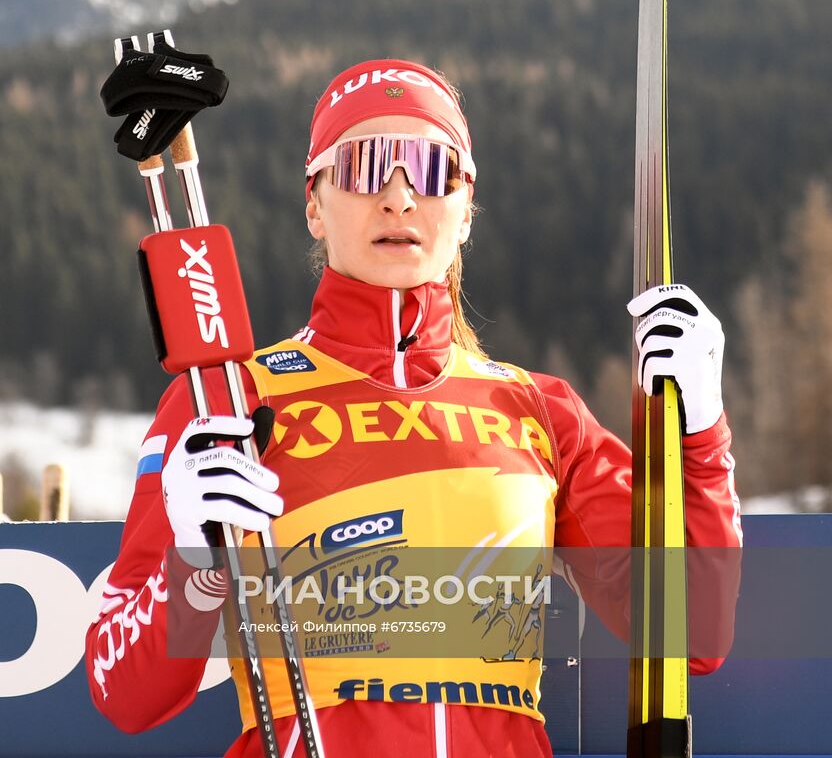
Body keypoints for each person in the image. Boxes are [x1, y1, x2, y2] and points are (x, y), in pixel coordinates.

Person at [86, 59, 742, 758]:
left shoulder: (541, 412)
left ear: (465, 212)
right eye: (366, 166)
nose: (399, 198)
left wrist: (699, 434)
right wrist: (194, 560)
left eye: (432, 171)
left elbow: (691, 634)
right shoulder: (230, 400)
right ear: (314, 202)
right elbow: (127, 692)